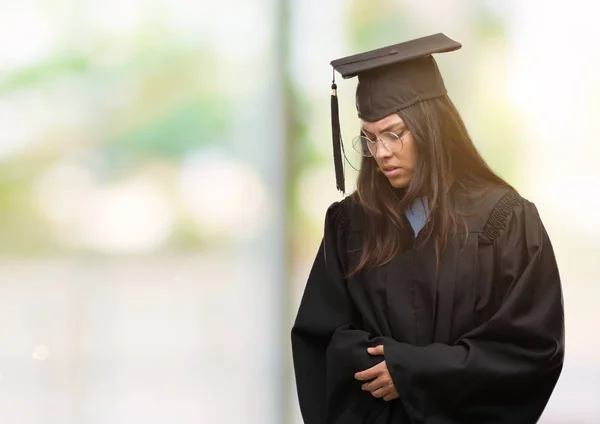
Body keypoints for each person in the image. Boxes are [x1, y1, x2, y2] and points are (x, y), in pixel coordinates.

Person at [291, 33, 564, 424]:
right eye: (369, 138)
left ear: (431, 126)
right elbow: (319, 340)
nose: (381, 152)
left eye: (393, 133)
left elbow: (529, 350)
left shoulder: (504, 220)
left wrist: (411, 370)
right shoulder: (350, 225)